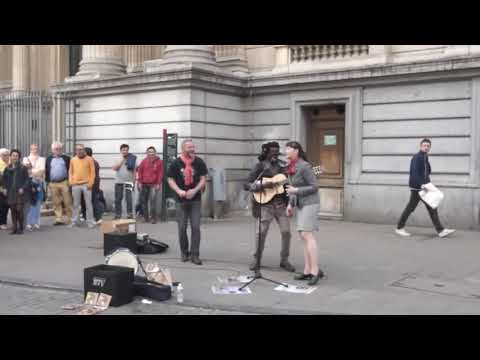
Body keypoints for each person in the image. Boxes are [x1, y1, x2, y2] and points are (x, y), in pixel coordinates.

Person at [244, 141, 296, 273]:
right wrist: (262, 186)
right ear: (266, 153)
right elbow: (246, 184)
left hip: (281, 205)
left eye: (276, 153)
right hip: (265, 205)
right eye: (272, 153)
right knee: (261, 233)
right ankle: (257, 260)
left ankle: (284, 260)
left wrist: (290, 199)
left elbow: (289, 183)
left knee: (286, 232)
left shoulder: (282, 166)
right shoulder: (259, 167)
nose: (275, 155)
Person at [395, 138, 456, 238]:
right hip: (417, 188)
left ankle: (440, 230)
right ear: (421, 146)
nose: (426, 147)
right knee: (410, 208)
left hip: (425, 187)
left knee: (432, 207)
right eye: (425, 145)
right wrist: (421, 184)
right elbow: (414, 172)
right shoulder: (417, 157)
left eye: (428, 146)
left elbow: (426, 171)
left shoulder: (425, 157)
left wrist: (427, 183)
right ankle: (399, 227)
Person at [284, 141, 324, 286]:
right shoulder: (290, 167)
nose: (286, 151)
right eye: (286, 149)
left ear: (296, 151)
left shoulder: (304, 166)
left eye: (288, 149)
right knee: (303, 235)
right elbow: (292, 188)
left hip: (311, 203)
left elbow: (314, 186)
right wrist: (290, 204)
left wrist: (296, 191)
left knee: (307, 234)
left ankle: (315, 271)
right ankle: (307, 270)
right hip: (301, 203)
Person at [167, 140, 208, 265]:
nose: (192, 149)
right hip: (180, 200)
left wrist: (195, 190)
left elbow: (203, 179)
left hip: (195, 199)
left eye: (193, 147)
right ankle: (184, 252)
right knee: (182, 227)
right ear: (183, 149)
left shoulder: (199, 162)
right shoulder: (176, 163)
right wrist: (179, 191)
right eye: (189, 147)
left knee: (195, 227)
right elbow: (170, 179)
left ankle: (195, 254)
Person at [2, 150, 30, 235]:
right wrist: (4, 188)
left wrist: (23, 188)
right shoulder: (7, 168)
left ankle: (21, 227)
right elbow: (4, 180)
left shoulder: (23, 168)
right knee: (13, 210)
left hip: (20, 192)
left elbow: (27, 180)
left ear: (19, 157)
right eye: (13, 155)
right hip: (11, 192)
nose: (14, 157)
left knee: (19, 209)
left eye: (16, 156)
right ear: (10, 157)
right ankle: (14, 228)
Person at [69, 144, 96, 228]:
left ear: (84, 150)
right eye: (77, 149)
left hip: (86, 184)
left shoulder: (89, 159)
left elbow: (93, 172)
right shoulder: (73, 159)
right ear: (75, 151)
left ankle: (90, 222)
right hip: (75, 184)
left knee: (88, 204)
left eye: (81, 149)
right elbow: (70, 171)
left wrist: (90, 183)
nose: (79, 151)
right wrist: (71, 181)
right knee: (75, 204)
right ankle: (74, 221)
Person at [45, 142, 72, 225]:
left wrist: (69, 181)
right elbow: (47, 170)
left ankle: (70, 218)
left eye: (60, 149)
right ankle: (58, 218)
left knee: (67, 201)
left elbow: (70, 170)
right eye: (56, 149)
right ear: (52, 150)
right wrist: (48, 182)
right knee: (56, 202)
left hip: (64, 182)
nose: (58, 150)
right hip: (53, 183)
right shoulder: (49, 159)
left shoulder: (66, 158)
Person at [137, 146, 164, 224]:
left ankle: (153, 218)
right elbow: (140, 172)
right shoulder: (144, 161)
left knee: (153, 202)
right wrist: (139, 182)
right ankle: (145, 218)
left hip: (154, 185)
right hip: (144, 184)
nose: (151, 153)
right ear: (147, 153)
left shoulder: (159, 162)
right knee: (144, 202)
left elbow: (160, 173)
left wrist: (158, 183)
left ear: (155, 153)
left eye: (152, 152)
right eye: (149, 152)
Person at [23, 144, 46, 231]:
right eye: (33, 149)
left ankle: (36, 222)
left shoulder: (42, 159)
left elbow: (42, 171)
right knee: (29, 202)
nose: (35, 150)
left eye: (36, 149)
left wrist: (32, 172)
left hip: (38, 183)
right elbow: (26, 171)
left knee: (37, 202)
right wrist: (36, 172)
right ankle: (29, 222)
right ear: (30, 149)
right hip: (29, 184)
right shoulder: (26, 159)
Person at [112, 144, 137, 219]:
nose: (125, 151)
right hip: (118, 182)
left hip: (129, 181)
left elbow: (135, 171)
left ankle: (129, 214)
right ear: (121, 151)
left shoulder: (132, 158)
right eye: (123, 150)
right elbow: (115, 168)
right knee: (118, 199)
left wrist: (134, 181)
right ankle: (118, 215)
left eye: (126, 150)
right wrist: (122, 160)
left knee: (129, 199)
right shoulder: (117, 158)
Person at [81, 147, 104, 224]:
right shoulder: (94, 162)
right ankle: (95, 218)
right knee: (91, 201)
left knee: (90, 201)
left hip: (89, 184)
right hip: (93, 184)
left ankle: (94, 217)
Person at [0, 148, 10, 230]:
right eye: (4, 155)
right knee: (2, 206)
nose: (6, 156)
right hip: (1, 189)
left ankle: (4, 222)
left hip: (9, 189)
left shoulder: (10, 163)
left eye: (7, 155)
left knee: (6, 206)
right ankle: (2, 223)